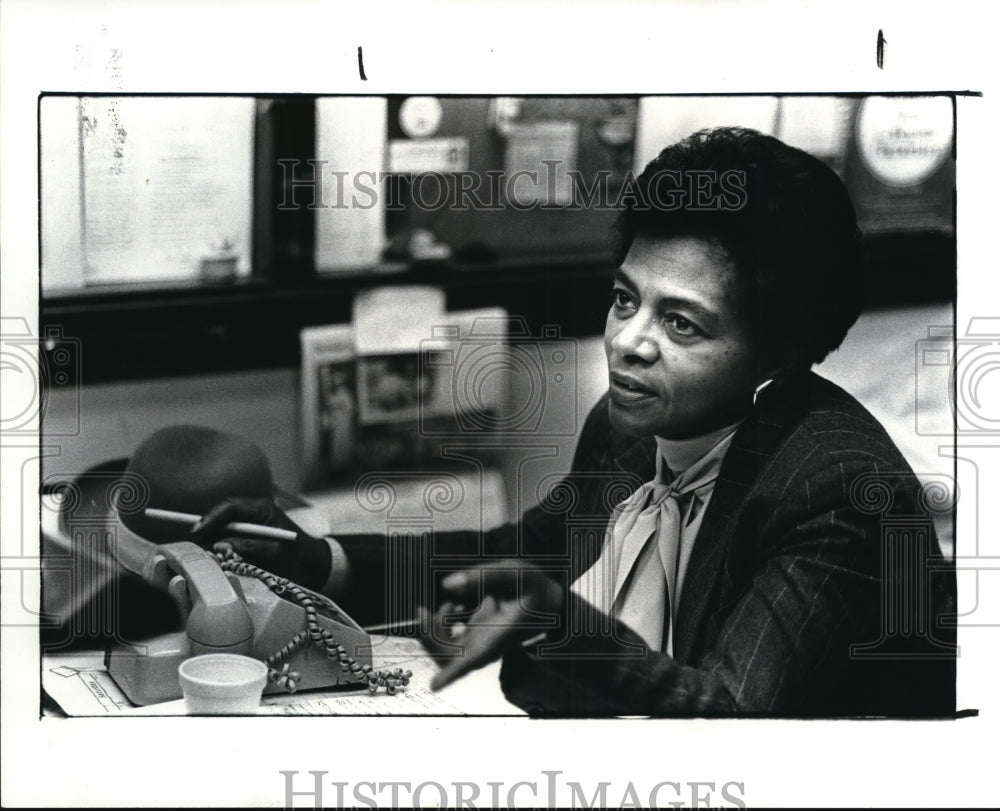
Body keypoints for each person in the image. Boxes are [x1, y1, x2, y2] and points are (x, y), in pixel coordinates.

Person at [193, 127, 956, 717]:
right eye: (626, 299)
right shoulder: (628, 429)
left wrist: (560, 621)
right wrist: (319, 558)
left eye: (682, 324)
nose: (627, 340)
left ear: (781, 355)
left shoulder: (840, 494)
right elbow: (521, 555)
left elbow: (732, 719)